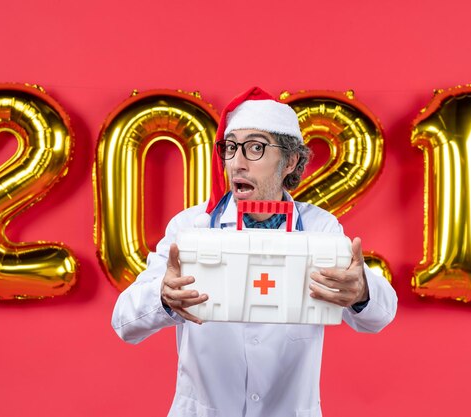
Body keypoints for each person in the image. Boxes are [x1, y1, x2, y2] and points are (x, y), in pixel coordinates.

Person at [112, 87, 398, 417]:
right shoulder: (192, 227)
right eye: (230, 148)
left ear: (290, 160)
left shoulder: (320, 228)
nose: (237, 163)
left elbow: (380, 316)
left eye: (255, 148)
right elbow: (124, 323)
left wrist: (361, 290)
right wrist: (162, 297)